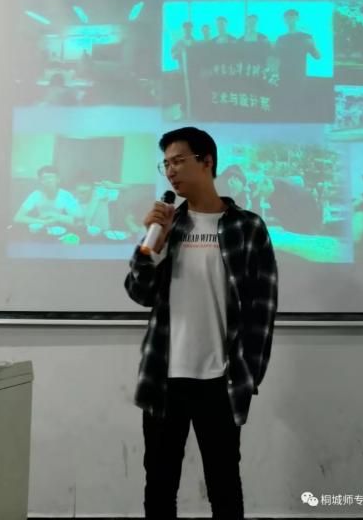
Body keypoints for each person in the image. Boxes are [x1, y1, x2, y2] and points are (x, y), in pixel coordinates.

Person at [124, 127, 278, 520]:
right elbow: (139, 293)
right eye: (165, 164)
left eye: (178, 161)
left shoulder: (247, 227)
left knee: (224, 484)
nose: (170, 171)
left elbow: (261, 308)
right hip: (164, 376)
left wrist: (248, 372)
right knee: (159, 483)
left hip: (220, 379)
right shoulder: (167, 226)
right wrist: (151, 246)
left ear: (207, 161)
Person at [14, 165, 81, 228]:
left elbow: (77, 219)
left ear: (58, 179)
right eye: (44, 178)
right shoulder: (36, 194)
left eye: (51, 177)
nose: (48, 181)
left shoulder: (65, 195)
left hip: (59, 229)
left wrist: (53, 215)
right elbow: (17, 217)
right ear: (40, 181)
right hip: (40, 227)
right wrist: (43, 222)